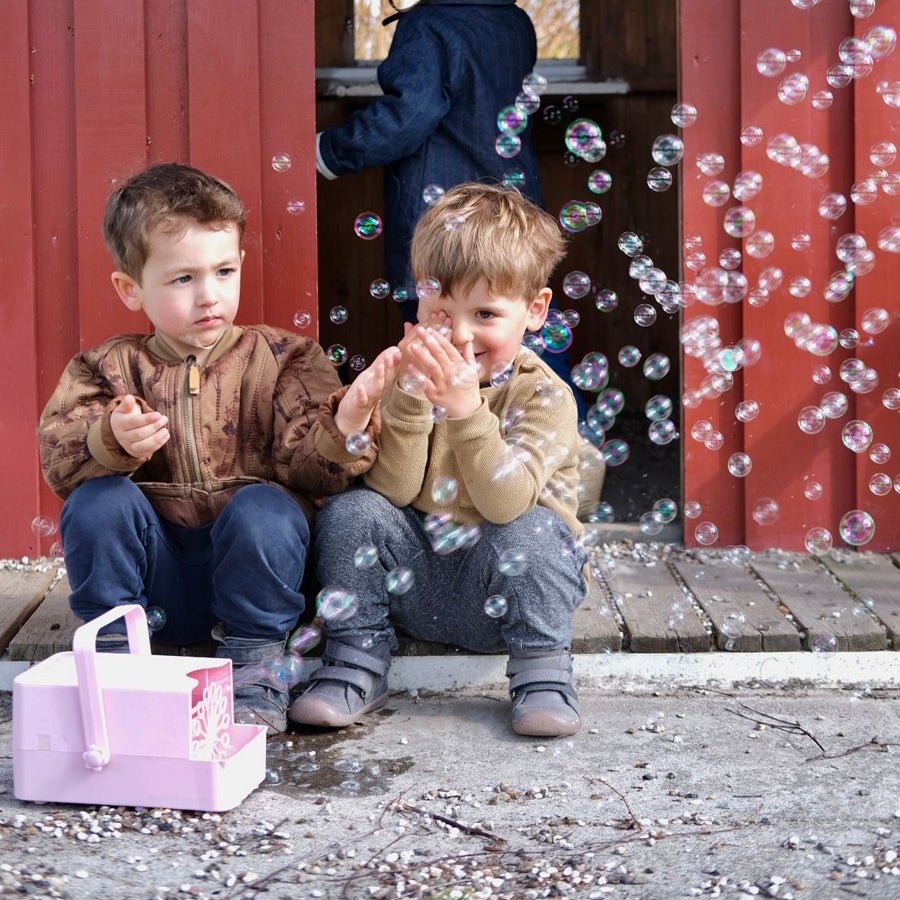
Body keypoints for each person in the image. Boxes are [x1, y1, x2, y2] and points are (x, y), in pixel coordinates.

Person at [37, 162, 400, 736]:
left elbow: (316, 474)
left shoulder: (286, 359)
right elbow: (59, 459)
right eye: (183, 279)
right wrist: (110, 440)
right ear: (131, 288)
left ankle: (255, 672)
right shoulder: (105, 368)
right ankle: (111, 660)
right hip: (153, 586)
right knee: (97, 500)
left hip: (261, 587)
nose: (209, 295)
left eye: (224, 270)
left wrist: (348, 419)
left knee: (268, 506)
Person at [289, 182, 588, 738]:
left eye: (486, 313)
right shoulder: (411, 379)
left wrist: (467, 411)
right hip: (416, 583)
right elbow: (396, 493)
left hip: (510, 589)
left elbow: (504, 503)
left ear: (535, 310)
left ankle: (542, 672)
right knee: (353, 511)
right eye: (440, 312)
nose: (461, 335)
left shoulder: (544, 396)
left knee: (536, 531)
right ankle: (357, 658)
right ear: (418, 306)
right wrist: (405, 403)